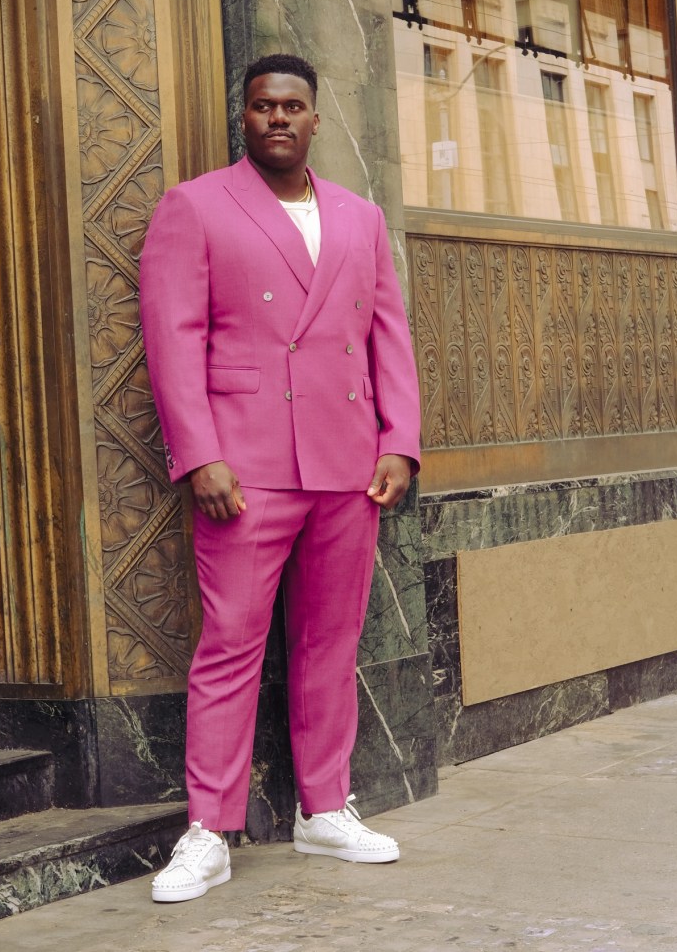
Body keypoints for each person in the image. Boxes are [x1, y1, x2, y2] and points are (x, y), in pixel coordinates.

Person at [138, 53, 421, 903]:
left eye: (292, 106)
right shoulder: (194, 206)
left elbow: (387, 335)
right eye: (262, 107)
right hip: (246, 466)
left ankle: (323, 808)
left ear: (314, 120)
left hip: (346, 460)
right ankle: (208, 829)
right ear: (245, 118)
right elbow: (172, 339)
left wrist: (398, 440)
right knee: (230, 645)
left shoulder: (359, 217)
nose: (277, 119)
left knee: (330, 646)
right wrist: (200, 454)